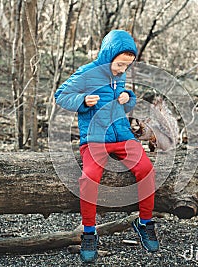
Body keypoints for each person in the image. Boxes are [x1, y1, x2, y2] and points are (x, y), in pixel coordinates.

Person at [54, 30, 159, 263]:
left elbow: (124, 100)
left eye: (127, 65)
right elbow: (61, 95)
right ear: (109, 55)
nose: (123, 69)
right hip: (95, 138)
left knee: (145, 169)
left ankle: (144, 222)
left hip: (121, 134)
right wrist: (82, 101)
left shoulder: (119, 76)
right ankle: (89, 232)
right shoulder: (87, 73)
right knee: (90, 177)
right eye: (120, 64)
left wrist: (128, 97)